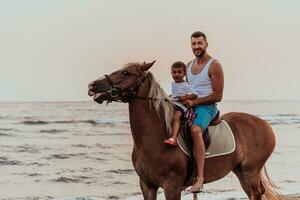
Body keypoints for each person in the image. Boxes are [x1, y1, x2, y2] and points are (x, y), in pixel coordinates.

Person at [182, 31, 224, 193]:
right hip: (191, 105)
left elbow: (218, 95)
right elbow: (188, 89)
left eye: (200, 43)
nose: (196, 47)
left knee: (195, 129)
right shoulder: (188, 66)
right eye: (194, 44)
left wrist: (195, 102)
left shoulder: (214, 65)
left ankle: (199, 178)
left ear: (206, 44)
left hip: (208, 106)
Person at [164, 61, 197, 146]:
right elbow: (174, 94)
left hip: (182, 106)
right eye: (174, 72)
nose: (176, 74)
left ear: (184, 73)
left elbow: (195, 95)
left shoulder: (185, 85)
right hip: (174, 103)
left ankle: (173, 138)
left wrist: (185, 97)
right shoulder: (173, 83)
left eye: (179, 72)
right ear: (171, 73)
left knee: (176, 117)